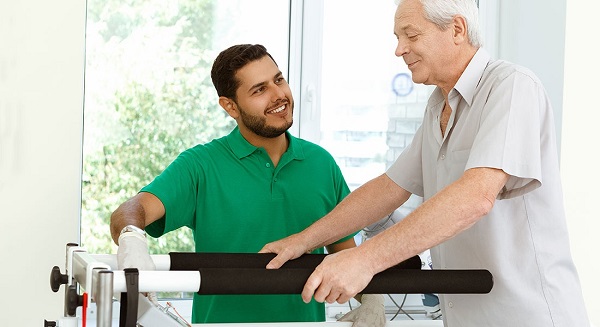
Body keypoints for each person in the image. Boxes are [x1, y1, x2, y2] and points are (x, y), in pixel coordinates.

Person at [260, 1, 591, 326]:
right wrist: (303, 241)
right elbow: (389, 188)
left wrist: (364, 260)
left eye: (410, 35)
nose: (399, 49)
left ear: (457, 29)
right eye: (397, 37)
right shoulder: (437, 108)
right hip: (465, 316)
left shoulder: (511, 86)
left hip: (527, 316)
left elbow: (475, 197)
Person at [110, 44, 385, 325]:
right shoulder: (201, 165)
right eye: (259, 90)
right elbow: (130, 210)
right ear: (230, 106)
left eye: (279, 80)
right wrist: (132, 240)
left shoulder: (321, 164)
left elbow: (347, 257)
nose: (279, 95)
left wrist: (372, 298)